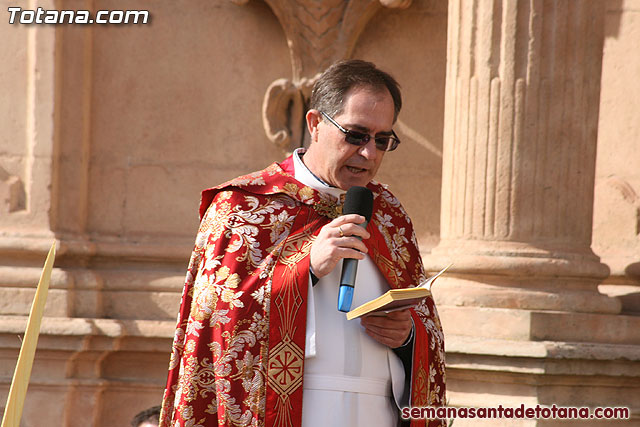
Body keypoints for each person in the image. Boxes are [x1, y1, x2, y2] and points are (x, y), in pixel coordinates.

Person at [159, 59, 446, 427]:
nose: (369, 153)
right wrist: (304, 267)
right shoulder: (243, 207)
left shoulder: (389, 214)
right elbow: (215, 327)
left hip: (380, 412)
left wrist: (408, 338)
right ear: (315, 124)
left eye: (382, 140)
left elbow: (426, 329)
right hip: (291, 411)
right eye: (356, 135)